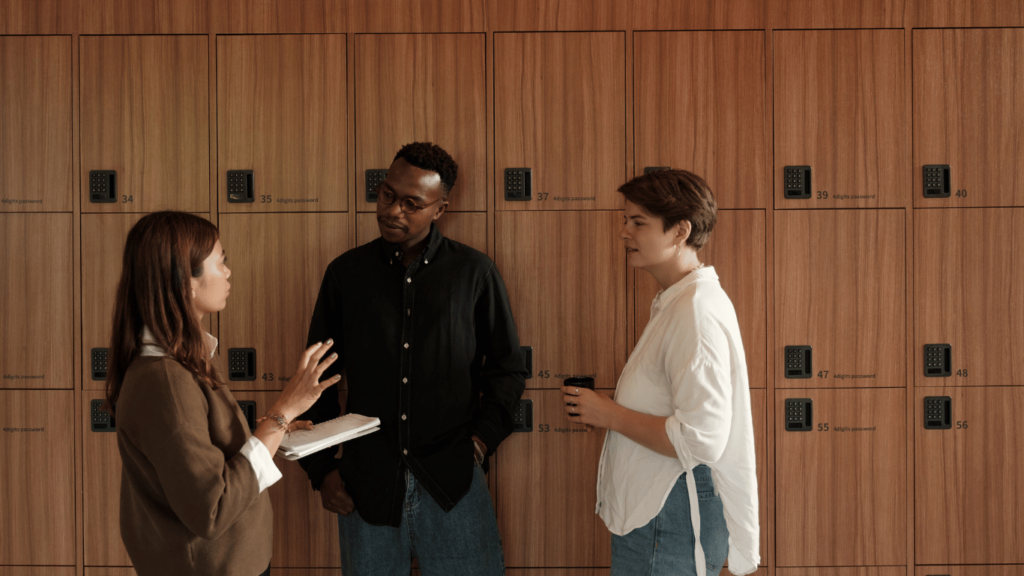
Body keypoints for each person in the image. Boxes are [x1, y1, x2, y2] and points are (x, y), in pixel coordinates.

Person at [298, 141, 527, 576]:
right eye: (387, 195)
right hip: (366, 486)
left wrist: (479, 443)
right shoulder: (346, 275)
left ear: (439, 209)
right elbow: (317, 379)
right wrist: (323, 469)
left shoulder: (474, 273)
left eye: (411, 203)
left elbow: (506, 369)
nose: (392, 211)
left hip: (454, 483)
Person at [106, 211, 341, 576]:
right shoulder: (166, 383)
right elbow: (211, 509)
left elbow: (203, 453)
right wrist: (282, 412)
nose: (229, 272)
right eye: (221, 261)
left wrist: (277, 430)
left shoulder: (181, 360)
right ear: (187, 283)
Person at [563, 170, 760, 576]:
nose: (623, 232)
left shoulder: (695, 313)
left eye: (638, 222)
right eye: (625, 220)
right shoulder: (678, 301)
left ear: (680, 231)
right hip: (660, 513)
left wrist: (609, 414)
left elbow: (700, 439)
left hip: (670, 515)